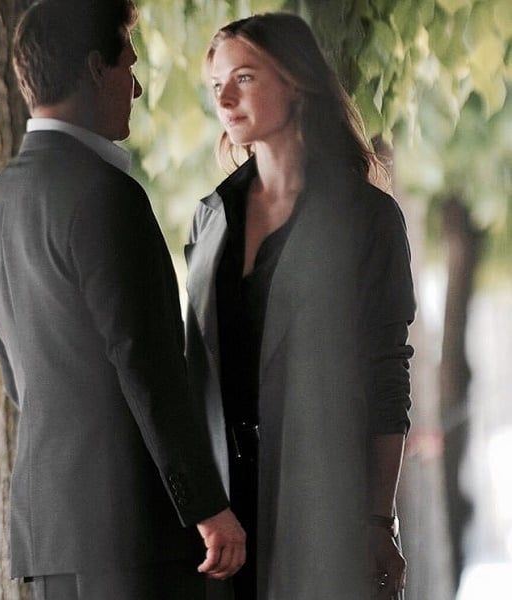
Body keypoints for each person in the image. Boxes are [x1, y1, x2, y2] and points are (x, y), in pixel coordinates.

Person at [0, 1, 246, 598]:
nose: (137, 87)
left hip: (50, 538)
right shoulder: (107, 195)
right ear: (97, 69)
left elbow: (21, 383)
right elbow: (148, 366)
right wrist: (206, 505)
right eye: (130, 66)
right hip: (131, 534)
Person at [185, 13, 415, 600]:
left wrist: (377, 519)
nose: (225, 99)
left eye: (244, 78)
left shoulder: (367, 219)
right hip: (224, 512)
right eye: (217, 85)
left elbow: (387, 375)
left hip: (325, 496)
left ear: (296, 81)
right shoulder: (210, 218)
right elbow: (196, 370)